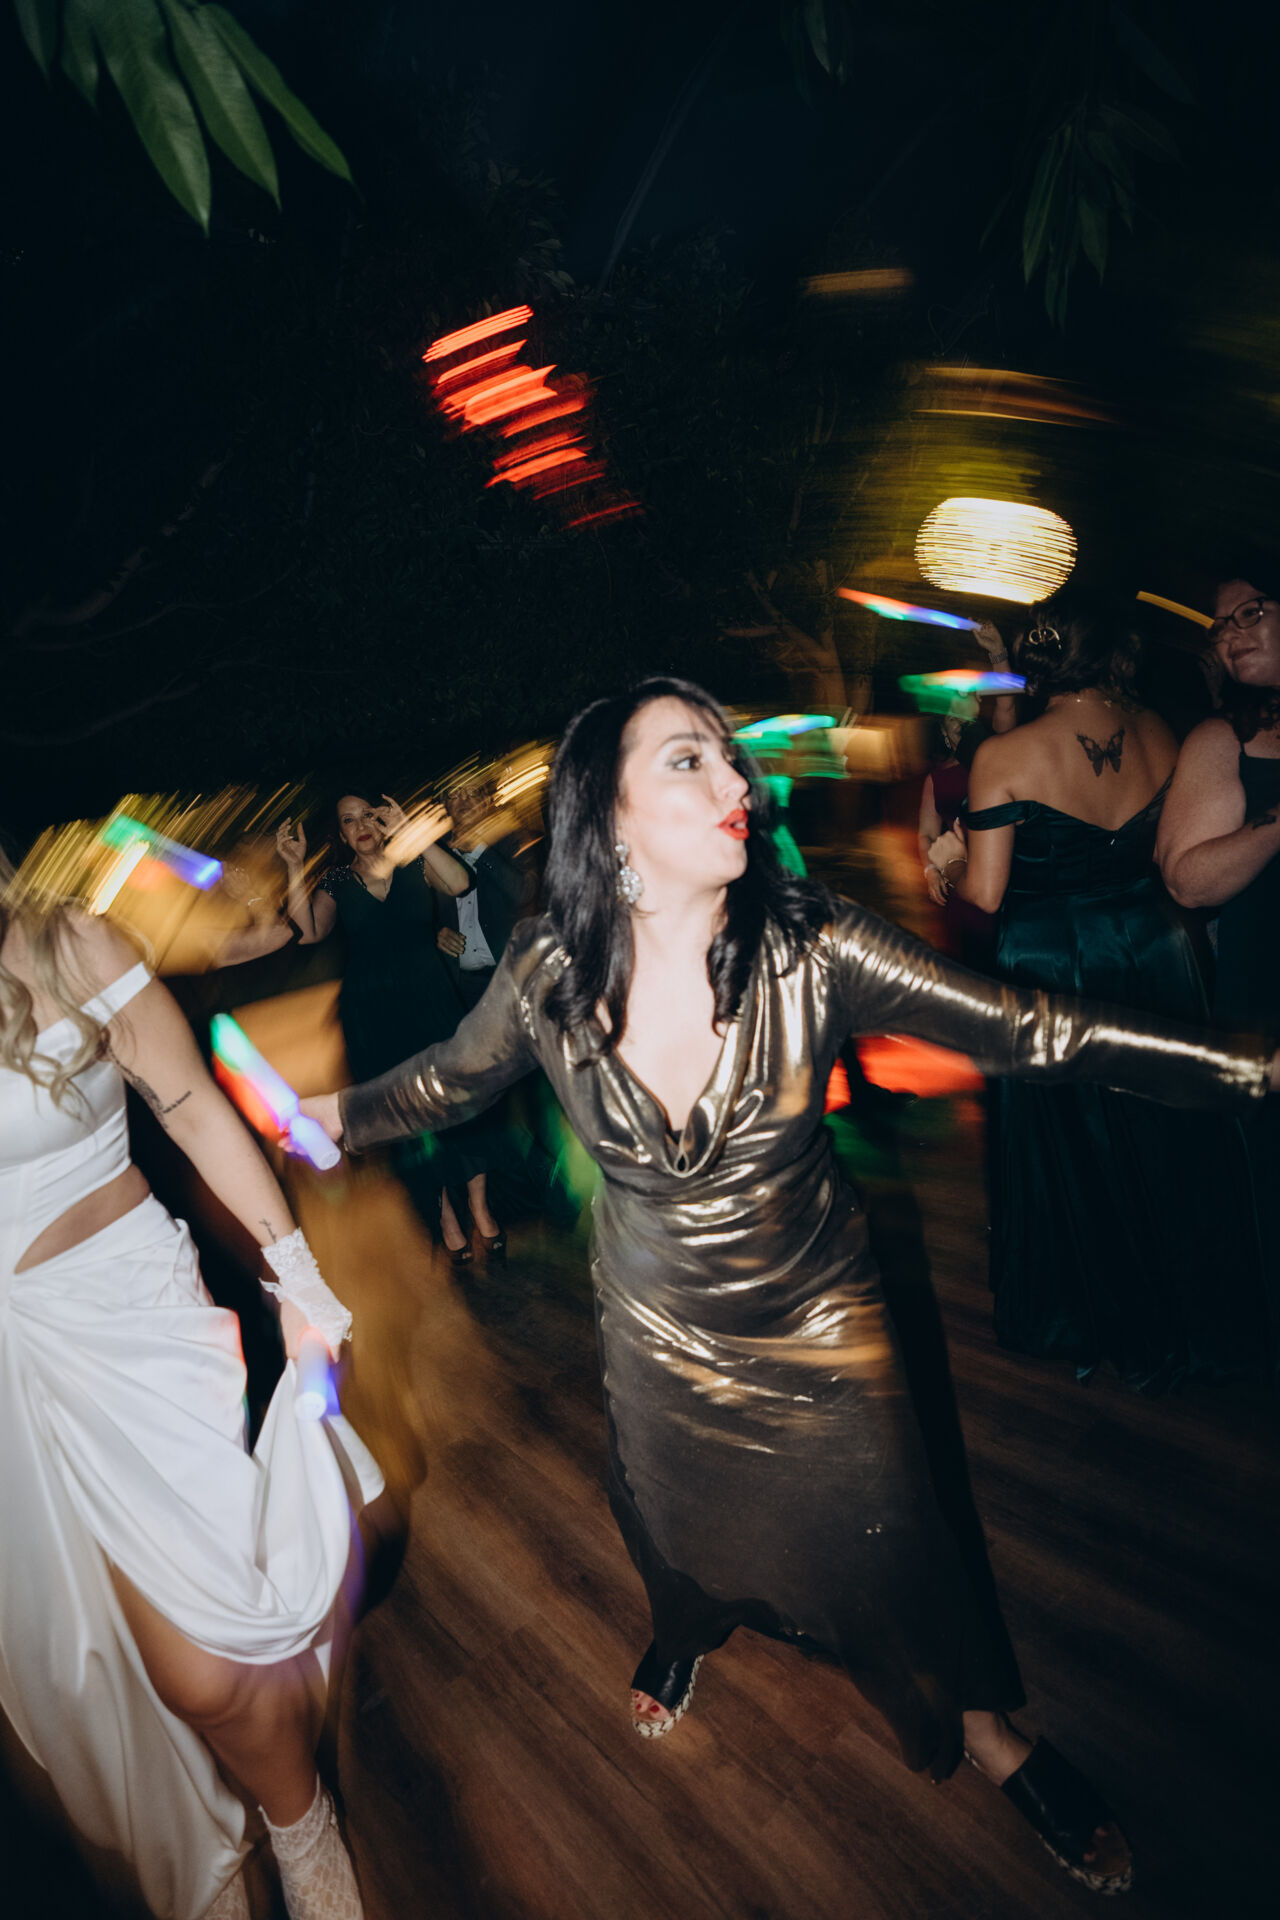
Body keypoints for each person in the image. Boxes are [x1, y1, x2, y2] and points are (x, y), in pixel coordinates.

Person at [302, 675, 1279, 1897]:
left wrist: (1249, 1067)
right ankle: (684, 1626)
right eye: (689, 760)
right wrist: (320, 1118)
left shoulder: (811, 945)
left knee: (891, 1530)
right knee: (668, 1511)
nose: (736, 781)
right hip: (654, 1320)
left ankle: (986, 1729)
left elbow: (1036, 1028)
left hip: (816, 1312)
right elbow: (448, 1078)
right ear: (605, 817)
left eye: (729, 756)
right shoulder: (550, 968)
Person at [0, 856, 382, 1920]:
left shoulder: (70, 944)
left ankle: (301, 1826)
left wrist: (296, 1276)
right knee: (88, 1660)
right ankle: (219, 1848)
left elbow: (193, 1108)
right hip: (15, 1375)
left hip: (136, 1323)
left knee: (206, 1666)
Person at [928, 593, 1266, 1390]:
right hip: (1156, 951)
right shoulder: (1163, 732)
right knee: (1164, 1136)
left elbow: (986, 893)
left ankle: (1094, 1314)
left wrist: (946, 861)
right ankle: (1189, 1315)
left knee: (1075, 1143)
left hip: (1054, 965)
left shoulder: (1005, 756)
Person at [275, 789, 504, 1262]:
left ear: (382, 821)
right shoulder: (338, 880)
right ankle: (445, 1216)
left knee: (460, 1100)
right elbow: (309, 931)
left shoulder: (414, 862)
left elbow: (460, 882)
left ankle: (479, 1205)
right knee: (407, 1116)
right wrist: (295, 867)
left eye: (368, 816)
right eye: (348, 820)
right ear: (341, 835)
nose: (360, 826)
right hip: (374, 1014)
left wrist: (412, 834)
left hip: (432, 1001)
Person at [1157, 574, 1280, 1364]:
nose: (1230, 634)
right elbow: (1188, 881)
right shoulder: (1221, 739)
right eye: (1220, 625)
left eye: (1251, 614)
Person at [434, 777, 535, 1010]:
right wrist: (438, 932)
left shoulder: (513, 839)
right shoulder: (438, 852)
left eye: (473, 791)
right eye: (454, 793)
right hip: (462, 984)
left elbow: (525, 893)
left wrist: (480, 848)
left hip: (511, 976)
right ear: (444, 804)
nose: (464, 800)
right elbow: (424, 909)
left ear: (487, 800)